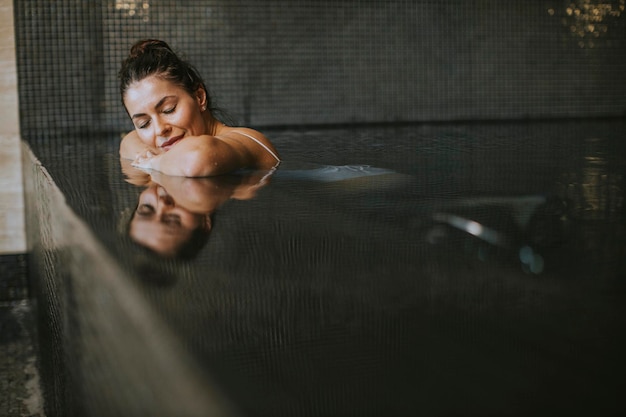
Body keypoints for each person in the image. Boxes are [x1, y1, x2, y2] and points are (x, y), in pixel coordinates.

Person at [118, 39, 280, 177]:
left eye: (169, 109)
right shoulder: (164, 149)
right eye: (144, 124)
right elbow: (128, 142)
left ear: (199, 97)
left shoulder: (249, 140)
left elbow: (197, 158)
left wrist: (153, 162)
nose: (160, 129)